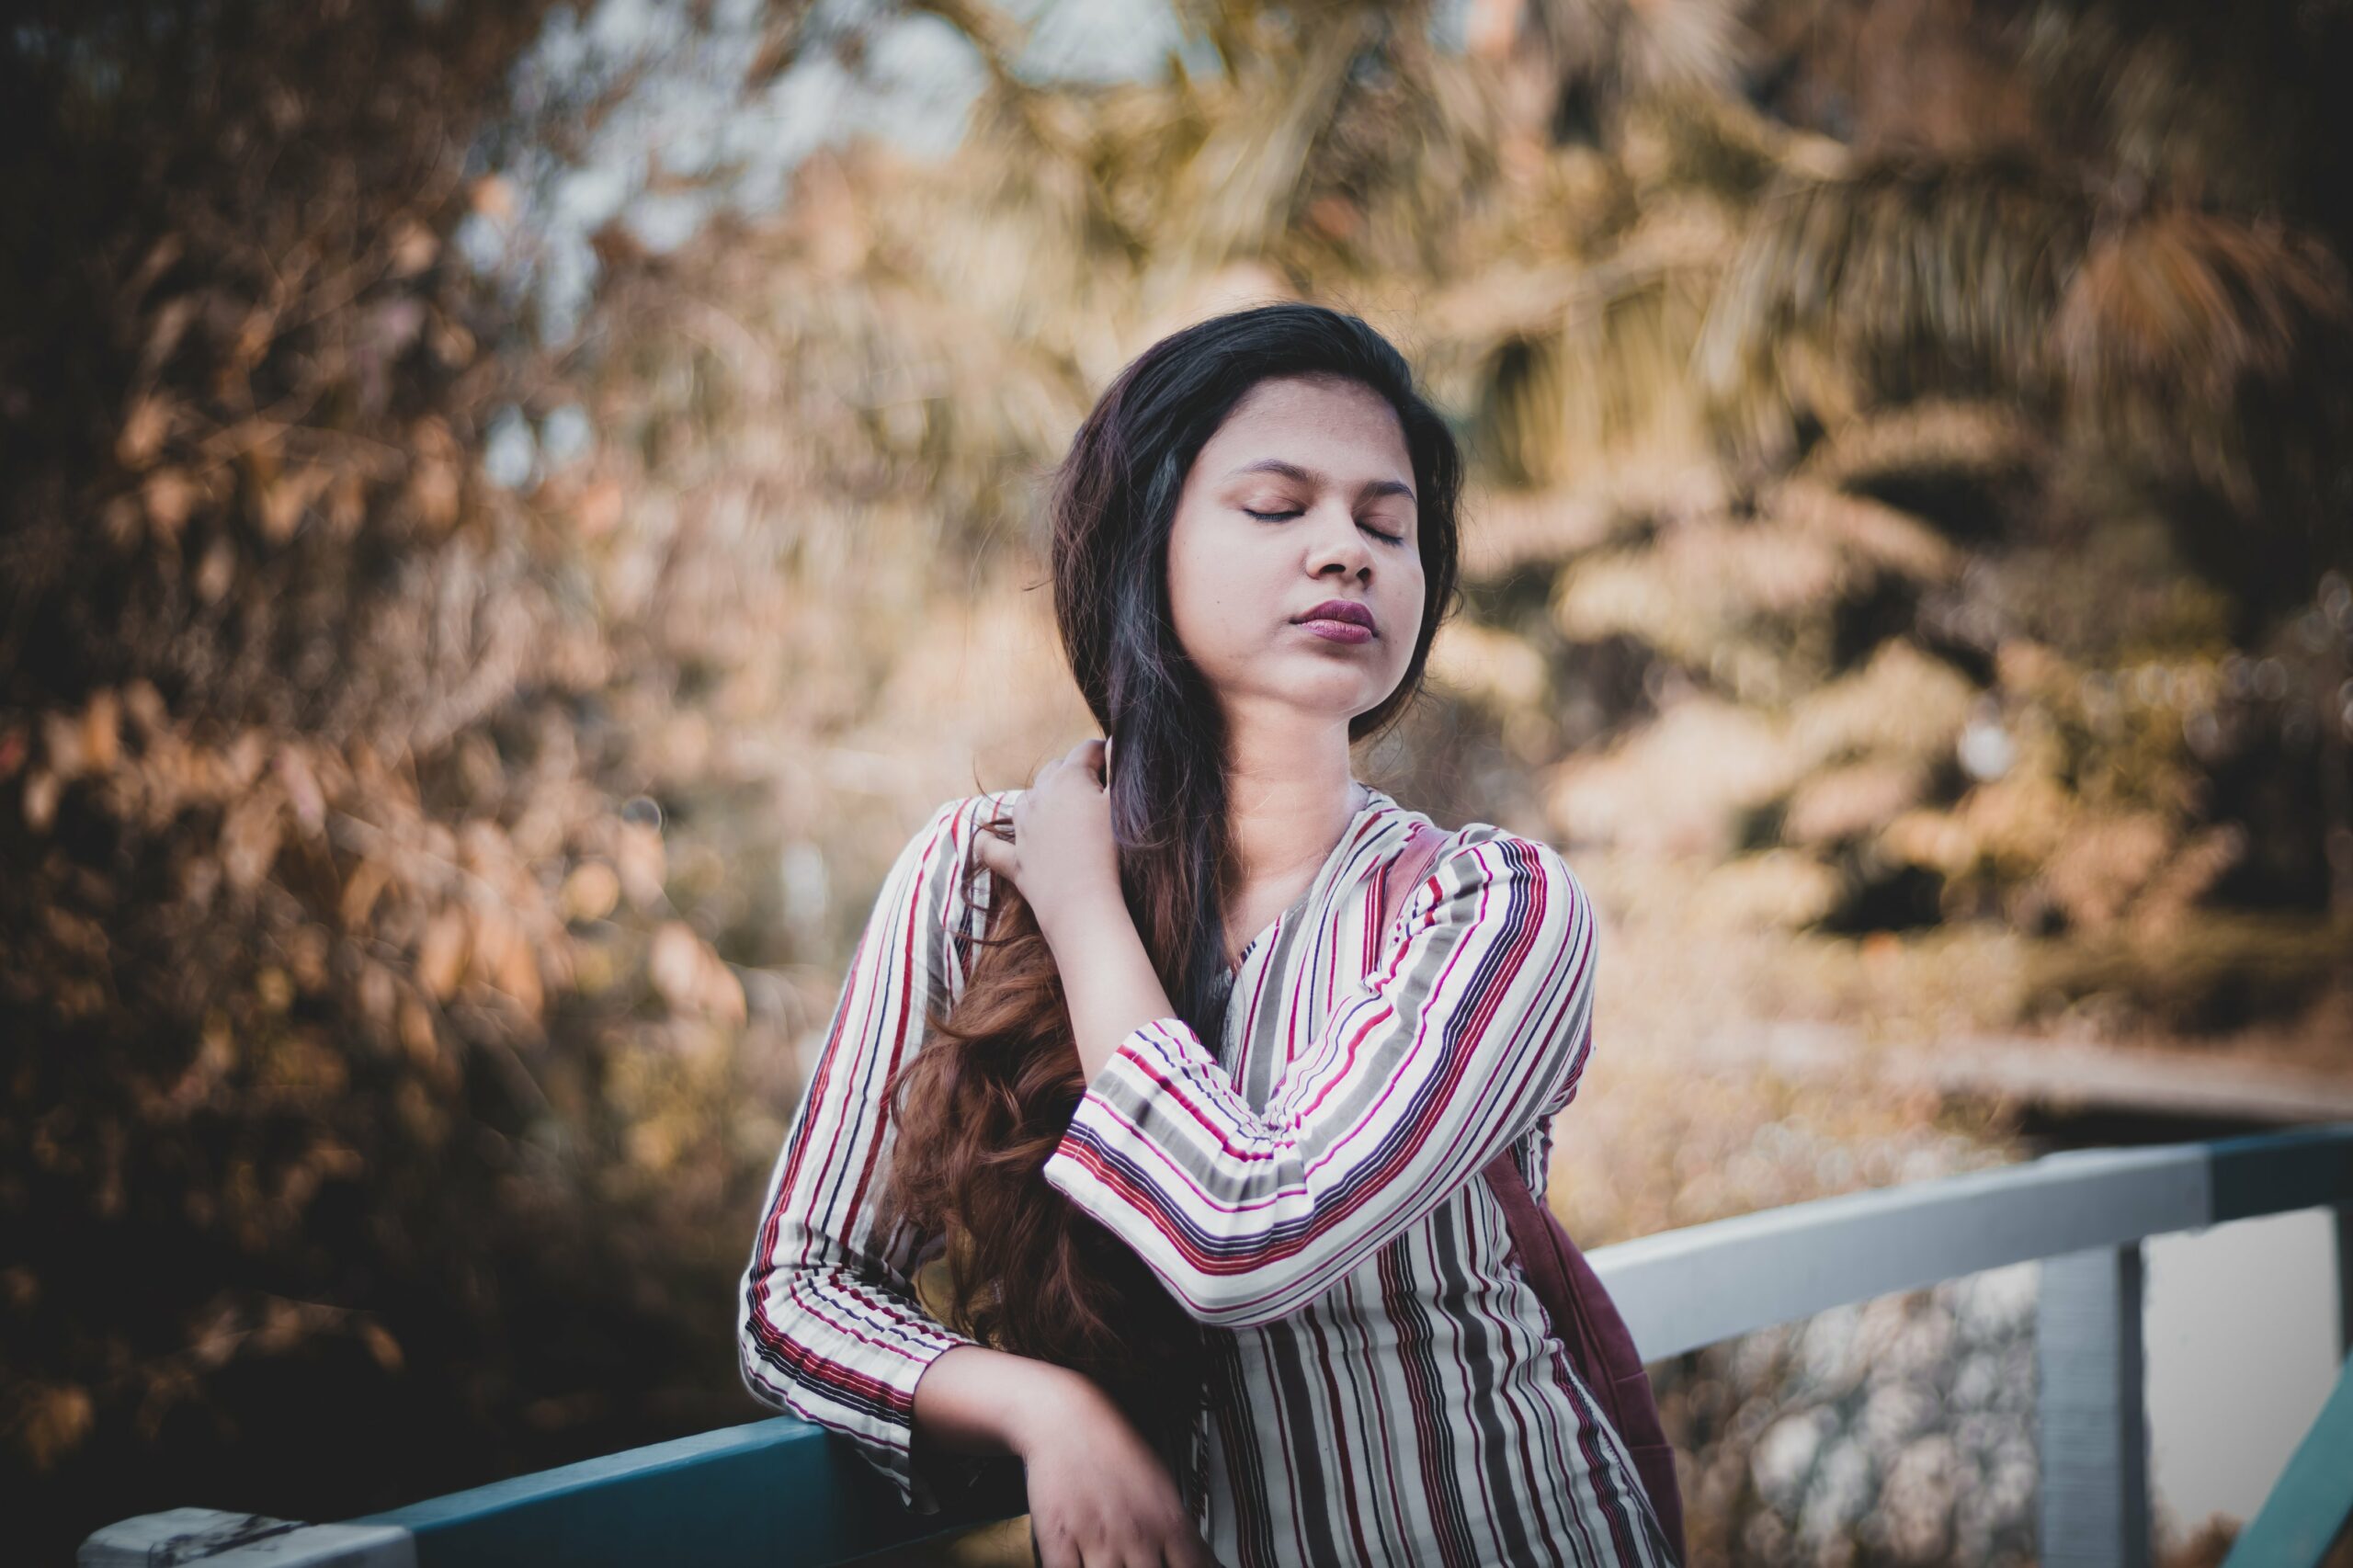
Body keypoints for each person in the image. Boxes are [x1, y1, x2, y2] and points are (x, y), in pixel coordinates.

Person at [737, 302, 1679, 1568]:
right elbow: (796, 1291)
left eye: (1385, 523)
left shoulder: (1496, 909)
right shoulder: (975, 883)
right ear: (1148, 546)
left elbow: (1246, 1234)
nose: (1345, 550)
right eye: (1279, 507)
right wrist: (1040, 1406)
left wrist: (1084, 916)